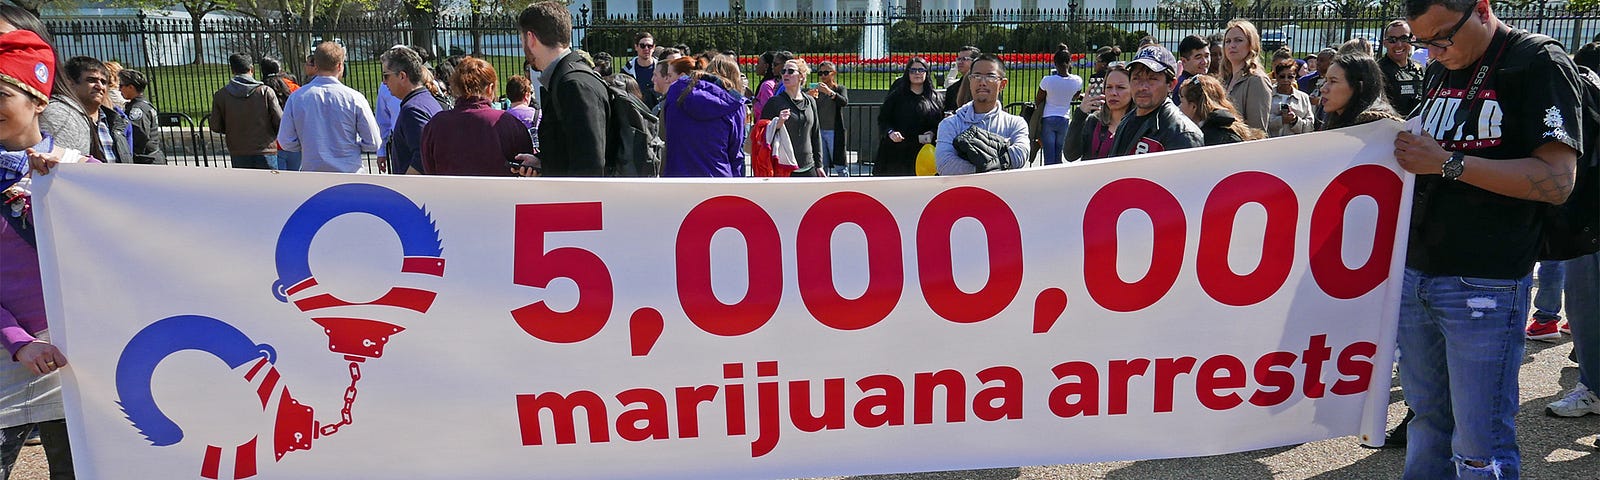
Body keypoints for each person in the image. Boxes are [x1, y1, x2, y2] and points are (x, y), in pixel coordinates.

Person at [1390, 0, 1586, 474]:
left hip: (1486, 282)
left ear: (1481, 9)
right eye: (1423, 42)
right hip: (1418, 274)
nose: (1434, 51)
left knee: (1480, 441)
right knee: (1427, 421)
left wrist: (1447, 163)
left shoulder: (1537, 61)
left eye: (1442, 37)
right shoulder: (1442, 67)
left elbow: (1559, 181)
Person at [0, 29, 83, 480]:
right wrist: (19, 342)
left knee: (78, 470)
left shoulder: (82, 174)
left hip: (75, 352)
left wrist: (62, 193)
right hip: (8, 350)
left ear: (37, 100)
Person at [515, 1, 607, 177]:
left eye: (522, 39)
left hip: (576, 201)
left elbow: (589, 166)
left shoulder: (573, 84)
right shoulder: (568, 77)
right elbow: (572, 150)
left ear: (531, 38)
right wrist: (543, 162)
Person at [277, 42, 381, 173]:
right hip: (349, 173)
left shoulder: (297, 97)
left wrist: (308, 145)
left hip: (313, 173)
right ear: (339, 66)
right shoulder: (354, 98)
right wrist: (353, 144)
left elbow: (285, 141)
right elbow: (373, 142)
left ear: (316, 65)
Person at [419, 57, 529, 176]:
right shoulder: (508, 123)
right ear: (490, 88)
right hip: (500, 193)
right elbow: (525, 168)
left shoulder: (435, 125)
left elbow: (429, 169)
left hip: (448, 193)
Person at [935, 54, 1029, 175]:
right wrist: (994, 166)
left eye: (990, 76)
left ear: (1003, 84)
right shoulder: (950, 124)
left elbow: (1021, 154)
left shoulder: (1016, 123)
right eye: (977, 76)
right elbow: (945, 165)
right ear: (970, 81)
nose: (982, 82)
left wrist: (989, 165)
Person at [1112, 45, 1204, 156]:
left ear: (1171, 84)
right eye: (1136, 78)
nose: (1142, 87)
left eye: (1152, 79)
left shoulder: (1183, 133)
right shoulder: (1126, 120)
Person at [661, 57, 745, 177]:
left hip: (678, 176)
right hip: (718, 178)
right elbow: (735, 153)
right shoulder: (735, 104)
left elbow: (666, 133)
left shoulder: (676, 91)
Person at [873, 57, 944, 176]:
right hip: (897, 153)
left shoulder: (936, 98)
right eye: (913, 70)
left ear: (927, 73)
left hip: (924, 154)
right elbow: (883, 120)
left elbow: (941, 123)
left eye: (921, 70)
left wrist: (932, 132)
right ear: (908, 73)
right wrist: (891, 132)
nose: (917, 73)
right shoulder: (896, 96)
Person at [211, 53, 280, 170]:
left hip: (238, 151)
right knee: (269, 187)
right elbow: (279, 121)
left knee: (244, 187)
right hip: (265, 150)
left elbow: (215, 125)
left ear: (233, 70)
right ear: (251, 69)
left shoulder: (221, 95)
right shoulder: (265, 92)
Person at [380, 46, 443, 175]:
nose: (384, 82)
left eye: (386, 76)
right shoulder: (425, 100)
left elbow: (422, 157)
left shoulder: (412, 110)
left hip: (415, 193)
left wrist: (403, 187)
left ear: (402, 76)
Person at [761, 57, 823, 177]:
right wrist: (777, 124)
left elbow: (815, 134)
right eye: (783, 71)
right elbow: (760, 132)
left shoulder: (810, 101)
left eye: (790, 71)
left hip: (809, 166)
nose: (785, 74)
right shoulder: (774, 102)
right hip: (783, 168)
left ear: (801, 76)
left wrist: (819, 165)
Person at [1063, 62, 1133, 162]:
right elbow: (1070, 155)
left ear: (1133, 90)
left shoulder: (1139, 125)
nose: (1113, 93)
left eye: (1120, 87)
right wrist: (1080, 113)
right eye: (1108, 87)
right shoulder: (1094, 121)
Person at [1318, 53, 1400, 130]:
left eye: (1333, 81)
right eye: (1326, 81)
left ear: (1359, 86)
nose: (1323, 89)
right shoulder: (1333, 119)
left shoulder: (1379, 127)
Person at [1178, 74, 1262, 146]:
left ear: (1193, 107)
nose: (1179, 107)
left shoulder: (1207, 139)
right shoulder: (1228, 129)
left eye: (1181, 102)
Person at [1220, 19, 1273, 132]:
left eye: (1238, 40)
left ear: (1251, 45)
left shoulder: (1257, 80)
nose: (1232, 45)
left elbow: (1257, 130)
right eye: (1228, 41)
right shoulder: (1224, 79)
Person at [1034, 44, 1083, 166]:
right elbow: (1076, 95)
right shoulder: (1077, 80)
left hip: (1048, 117)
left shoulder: (1047, 80)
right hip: (1064, 118)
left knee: (1049, 155)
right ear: (1069, 62)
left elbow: (1038, 99)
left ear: (1054, 63)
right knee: (1058, 154)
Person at [259, 57, 301, 170]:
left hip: (270, 144)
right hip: (294, 141)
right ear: (280, 69)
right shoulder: (295, 88)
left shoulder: (259, 90)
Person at [1380, 19, 1427, 116]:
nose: (1399, 45)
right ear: (1385, 43)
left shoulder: (1420, 69)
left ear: (1412, 40)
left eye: (1404, 39)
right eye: (1392, 40)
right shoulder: (1377, 70)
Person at [810, 60, 849, 176]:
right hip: (819, 131)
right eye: (820, 73)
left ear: (833, 73)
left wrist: (829, 92)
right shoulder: (816, 90)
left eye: (826, 73)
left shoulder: (839, 89)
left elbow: (844, 101)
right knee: (822, 165)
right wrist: (809, 95)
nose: (822, 76)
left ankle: (847, 188)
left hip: (834, 132)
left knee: (840, 166)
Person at [116, 69, 163, 165]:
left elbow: (139, 135)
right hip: (149, 158)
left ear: (131, 87)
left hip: (146, 160)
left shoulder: (137, 109)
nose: (119, 89)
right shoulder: (144, 104)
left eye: (121, 86)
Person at [1267, 59, 1314, 137]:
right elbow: (1259, 122)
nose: (1286, 80)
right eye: (1282, 76)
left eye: (1290, 77)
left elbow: (1310, 126)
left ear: (1295, 76)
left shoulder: (1303, 98)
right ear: (1275, 75)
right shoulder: (1267, 95)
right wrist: (1280, 120)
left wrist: (1295, 120)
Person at [753, 50, 793, 121]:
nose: (772, 67)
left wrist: (754, 101)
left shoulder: (768, 85)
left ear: (785, 65)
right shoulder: (777, 84)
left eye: (775, 64)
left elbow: (767, 110)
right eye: (772, 64)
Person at [621, 32, 658, 107]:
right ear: (636, 47)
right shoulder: (627, 70)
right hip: (635, 112)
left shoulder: (661, 68)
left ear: (654, 48)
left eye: (649, 46)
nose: (646, 49)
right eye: (642, 46)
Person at [1173, 35, 1211, 105]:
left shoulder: (1200, 82)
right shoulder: (1183, 87)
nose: (1205, 62)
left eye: (1207, 56)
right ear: (1184, 61)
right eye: (1198, 57)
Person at [943, 45, 979, 113]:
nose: (960, 62)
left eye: (964, 59)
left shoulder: (985, 86)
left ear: (975, 61)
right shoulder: (952, 89)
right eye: (959, 59)